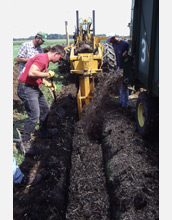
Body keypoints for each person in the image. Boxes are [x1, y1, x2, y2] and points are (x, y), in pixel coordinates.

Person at [17, 45, 65, 155]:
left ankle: (43, 131)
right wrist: (48, 74)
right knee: (34, 115)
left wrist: (45, 83)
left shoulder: (44, 59)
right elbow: (32, 73)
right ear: (56, 54)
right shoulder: (43, 59)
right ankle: (25, 142)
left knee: (46, 109)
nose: (59, 61)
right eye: (60, 58)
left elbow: (37, 74)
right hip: (26, 87)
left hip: (32, 87)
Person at [107, 35, 129, 107]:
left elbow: (133, 51)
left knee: (124, 86)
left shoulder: (125, 43)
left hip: (126, 67)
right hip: (119, 67)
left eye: (110, 40)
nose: (110, 42)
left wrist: (127, 52)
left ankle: (125, 105)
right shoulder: (114, 45)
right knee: (120, 85)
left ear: (114, 38)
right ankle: (121, 102)